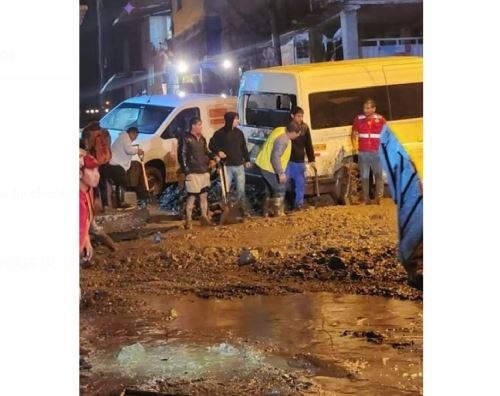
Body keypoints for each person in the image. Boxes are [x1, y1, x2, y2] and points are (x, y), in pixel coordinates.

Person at [255, 121, 302, 216]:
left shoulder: (279, 129)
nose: (297, 136)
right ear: (293, 132)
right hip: (269, 168)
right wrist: (281, 173)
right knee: (280, 188)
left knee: (268, 190)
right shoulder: (283, 140)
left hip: (263, 164)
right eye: (297, 134)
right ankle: (278, 212)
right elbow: (275, 157)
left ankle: (266, 212)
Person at [209, 112, 251, 216]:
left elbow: (243, 147)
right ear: (230, 120)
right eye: (236, 119)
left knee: (241, 189)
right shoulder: (219, 133)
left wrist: (247, 159)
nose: (238, 121)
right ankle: (225, 211)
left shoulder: (239, 133)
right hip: (226, 167)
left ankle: (241, 210)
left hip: (239, 165)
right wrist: (218, 152)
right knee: (225, 190)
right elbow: (211, 145)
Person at [181, 117, 217, 229]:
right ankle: (189, 220)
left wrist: (213, 157)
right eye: (200, 125)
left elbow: (206, 151)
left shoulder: (202, 139)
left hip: (203, 171)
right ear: (193, 126)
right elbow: (182, 155)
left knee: (203, 196)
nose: (201, 127)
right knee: (191, 196)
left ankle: (204, 217)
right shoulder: (186, 139)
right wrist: (186, 171)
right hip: (193, 172)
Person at [351, 99, 386, 204]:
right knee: (364, 176)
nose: (365, 110)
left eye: (368, 108)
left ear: (374, 109)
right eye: (364, 108)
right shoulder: (358, 119)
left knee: (378, 175)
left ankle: (379, 198)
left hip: (377, 152)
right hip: (363, 152)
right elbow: (353, 135)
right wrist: (355, 147)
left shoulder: (381, 120)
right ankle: (366, 199)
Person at [107, 127, 148, 208]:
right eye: (135, 136)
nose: (135, 138)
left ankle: (121, 202)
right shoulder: (125, 137)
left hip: (115, 163)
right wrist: (138, 151)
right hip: (116, 164)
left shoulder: (122, 137)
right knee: (122, 182)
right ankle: (121, 202)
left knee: (121, 183)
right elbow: (128, 150)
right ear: (132, 133)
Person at [286, 106, 316, 210]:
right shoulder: (288, 128)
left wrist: (312, 159)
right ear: (292, 116)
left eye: (302, 116)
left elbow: (309, 144)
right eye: (298, 116)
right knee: (284, 184)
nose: (300, 118)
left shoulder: (305, 128)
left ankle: (298, 204)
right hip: (288, 161)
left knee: (300, 185)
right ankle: (283, 204)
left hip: (299, 161)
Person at [80, 154, 100, 261]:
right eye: (91, 170)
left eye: (97, 170)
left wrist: (86, 239)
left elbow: (86, 221)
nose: (97, 175)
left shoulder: (88, 190)